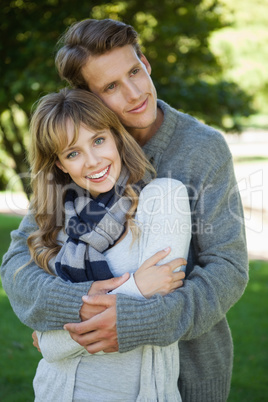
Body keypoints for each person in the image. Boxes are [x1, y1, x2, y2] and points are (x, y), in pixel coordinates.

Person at [0, 18, 248, 402]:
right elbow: (18, 262)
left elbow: (228, 269)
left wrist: (134, 320)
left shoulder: (203, 150)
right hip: (84, 378)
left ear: (146, 63)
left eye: (134, 71)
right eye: (111, 86)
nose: (134, 93)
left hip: (184, 369)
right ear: (89, 96)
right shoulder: (77, 151)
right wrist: (80, 309)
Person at [23, 87, 190, 401]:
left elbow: (160, 315)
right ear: (60, 164)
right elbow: (51, 350)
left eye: (98, 140)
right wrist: (136, 288)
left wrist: (55, 337)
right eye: (73, 153)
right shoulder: (57, 222)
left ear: (115, 136)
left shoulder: (163, 198)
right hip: (55, 391)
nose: (92, 161)